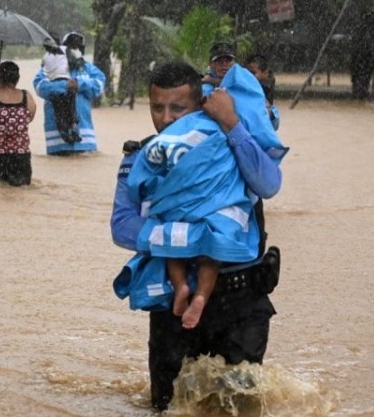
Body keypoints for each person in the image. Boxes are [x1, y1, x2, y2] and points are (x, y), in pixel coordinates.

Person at [110, 61, 287, 411]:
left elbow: (268, 184)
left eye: (178, 108)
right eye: (157, 108)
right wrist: (192, 237)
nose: (166, 119)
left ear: (200, 105)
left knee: (241, 405)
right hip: (172, 305)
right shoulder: (144, 158)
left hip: (240, 301)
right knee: (168, 405)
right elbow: (122, 225)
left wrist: (233, 124)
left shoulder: (231, 143)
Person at [33, 32, 106, 155]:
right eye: (71, 46)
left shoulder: (88, 68)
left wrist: (79, 83)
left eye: (77, 47)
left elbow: (99, 85)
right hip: (57, 141)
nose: (74, 50)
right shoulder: (49, 68)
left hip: (85, 140)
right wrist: (64, 85)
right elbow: (40, 87)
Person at [41, 37, 81, 144]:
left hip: (54, 86)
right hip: (67, 83)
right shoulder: (64, 49)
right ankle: (73, 129)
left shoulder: (45, 57)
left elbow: (43, 70)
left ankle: (63, 131)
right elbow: (73, 62)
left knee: (59, 111)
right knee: (71, 108)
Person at [243, 53, 280, 130]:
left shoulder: (264, 92)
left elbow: (274, 125)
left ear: (265, 73)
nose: (248, 76)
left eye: (253, 73)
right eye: (245, 73)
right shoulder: (241, 88)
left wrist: (269, 113)